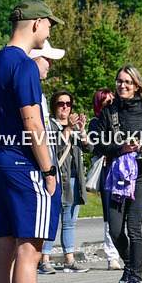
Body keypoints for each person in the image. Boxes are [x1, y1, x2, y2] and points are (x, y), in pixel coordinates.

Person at [0, 0, 69, 283]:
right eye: (49, 25)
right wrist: (49, 168)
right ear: (35, 24)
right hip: (22, 162)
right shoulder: (24, 65)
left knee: (4, 247)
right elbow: (33, 122)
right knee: (29, 250)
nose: (49, 31)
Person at [97, 64, 142, 283]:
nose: (122, 85)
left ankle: (135, 277)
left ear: (136, 86)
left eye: (127, 82)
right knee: (115, 230)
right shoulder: (109, 111)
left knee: (134, 228)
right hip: (116, 177)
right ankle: (130, 267)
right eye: (119, 81)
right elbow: (99, 143)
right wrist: (121, 147)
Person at [22, 39, 66, 274]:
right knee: (30, 248)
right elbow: (35, 131)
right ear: (34, 59)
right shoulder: (29, 88)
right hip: (36, 170)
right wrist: (49, 173)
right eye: (46, 59)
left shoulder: (36, 89)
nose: (50, 65)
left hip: (37, 167)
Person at [42, 89, 92, 273]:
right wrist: (69, 129)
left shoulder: (74, 126)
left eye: (68, 104)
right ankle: (44, 259)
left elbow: (89, 148)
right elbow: (55, 148)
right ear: (54, 106)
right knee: (51, 220)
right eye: (61, 104)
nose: (65, 107)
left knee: (70, 222)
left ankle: (69, 260)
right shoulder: (50, 126)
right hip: (55, 179)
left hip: (74, 179)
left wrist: (81, 130)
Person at [89, 89, 122, 270]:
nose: (111, 104)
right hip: (108, 171)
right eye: (106, 102)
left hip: (124, 170)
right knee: (110, 213)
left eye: (112, 101)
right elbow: (97, 147)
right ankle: (112, 256)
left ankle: (132, 255)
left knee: (128, 214)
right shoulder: (95, 123)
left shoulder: (121, 120)